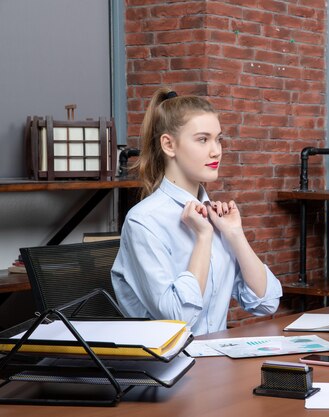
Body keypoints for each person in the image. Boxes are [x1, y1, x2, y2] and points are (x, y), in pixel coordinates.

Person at [111, 88, 282, 336]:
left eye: (219, 139)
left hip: (218, 361)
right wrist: (203, 238)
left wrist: (234, 234)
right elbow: (179, 320)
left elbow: (266, 303)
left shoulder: (216, 217)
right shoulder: (144, 222)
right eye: (203, 139)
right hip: (168, 369)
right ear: (169, 145)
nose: (216, 151)